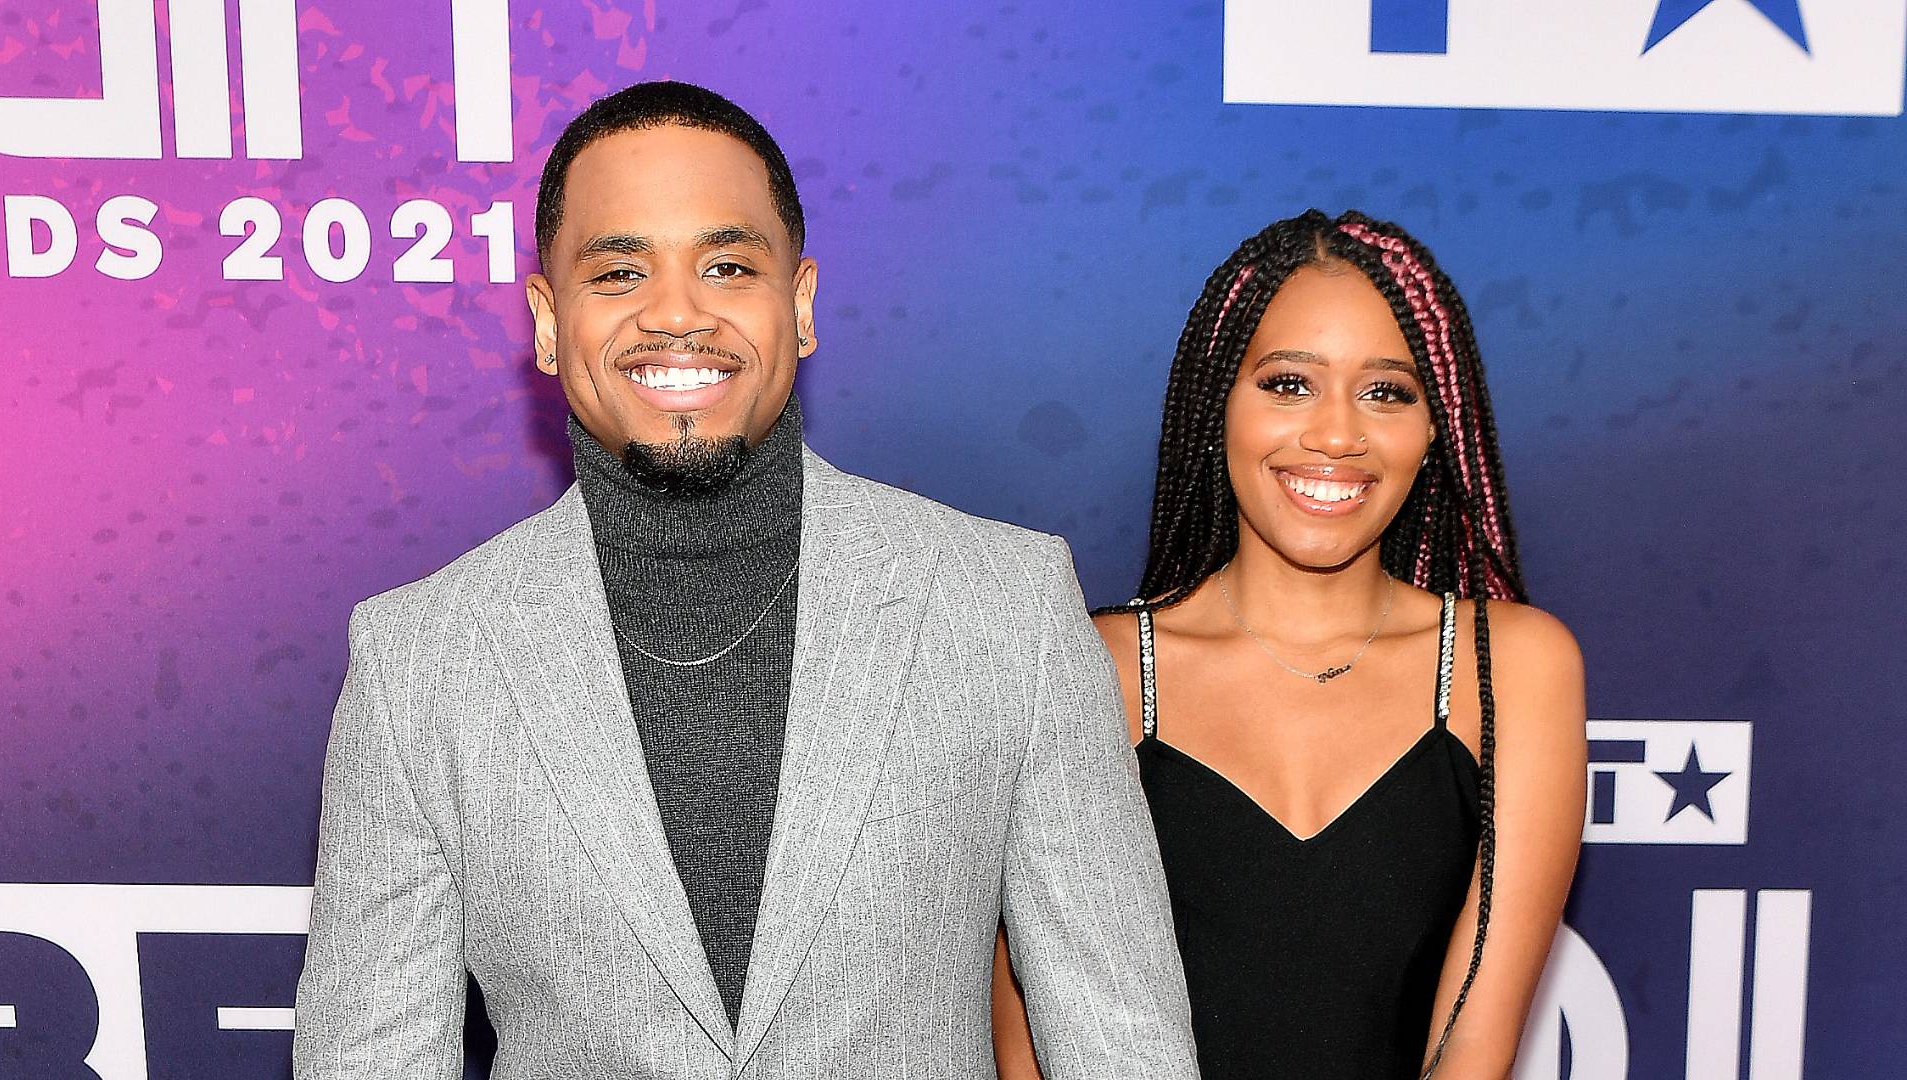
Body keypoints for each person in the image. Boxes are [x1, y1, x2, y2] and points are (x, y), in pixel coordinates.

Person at [293, 81, 1199, 1080]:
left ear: (799, 305)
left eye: (726, 266)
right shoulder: (418, 663)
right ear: (547, 322)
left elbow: (1126, 1047)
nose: (677, 314)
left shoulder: (1008, 610)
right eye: (619, 272)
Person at [993, 210, 1585, 1079]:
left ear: (1436, 430)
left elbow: (1473, 1049)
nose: (1337, 434)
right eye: (1289, 384)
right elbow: (1031, 1045)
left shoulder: (1512, 668)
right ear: (1216, 405)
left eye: (1386, 392)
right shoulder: (1091, 666)